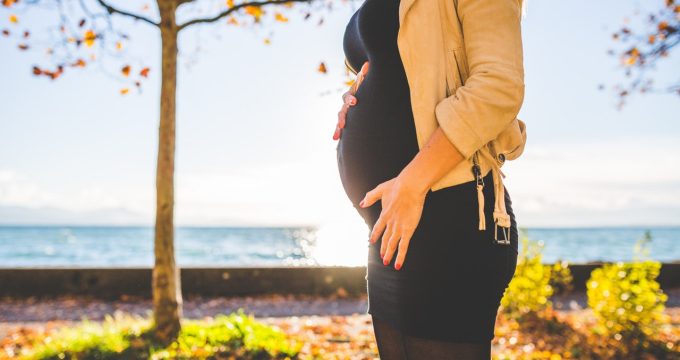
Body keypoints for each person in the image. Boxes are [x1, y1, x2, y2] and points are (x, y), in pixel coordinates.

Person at [333, 0, 526, 358]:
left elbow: (498, 87)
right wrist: (354, 93)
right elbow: (396, 68)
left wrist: (412, 183)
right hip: (391, 226)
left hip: (450, 215)